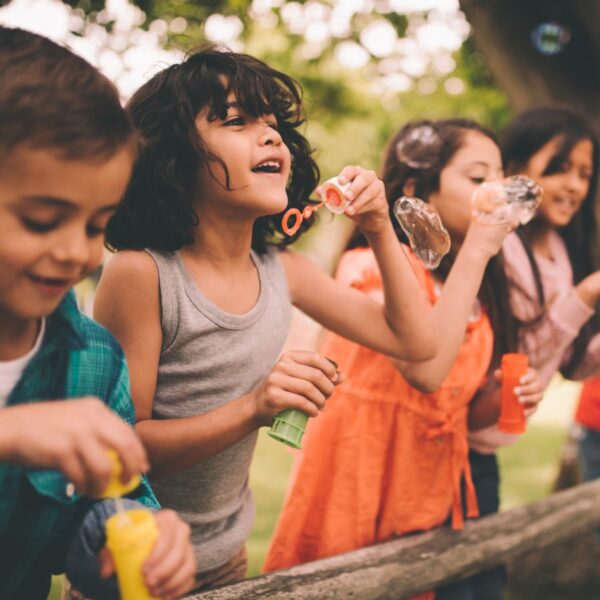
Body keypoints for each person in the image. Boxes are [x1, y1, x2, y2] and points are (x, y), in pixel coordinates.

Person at [93, 51, 512, 590]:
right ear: (171, 156)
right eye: (237, 120)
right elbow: (120, 450)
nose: (271, 137)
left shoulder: (282, 270)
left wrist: (380, 225)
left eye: (273, 124)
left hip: (225, 560)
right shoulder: (142, 274)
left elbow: (416, 342)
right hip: (132, 562)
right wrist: (253, 408)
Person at [260, 119, 543, 599]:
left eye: (500, 177)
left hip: (429, 498)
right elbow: (426, 372)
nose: (495, 192)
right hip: (358, 488)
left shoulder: (472, 294)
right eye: (478, 178)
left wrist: (501, 399)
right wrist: (477, 249)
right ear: (415, 189)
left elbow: (452, 406)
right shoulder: (370, 270)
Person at [0, 27, 195, 600]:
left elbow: (108, 501)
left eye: (94, 225)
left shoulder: (95, 361)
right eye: (41, 220)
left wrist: (133, 535)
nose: (74, 252)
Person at [466, 107, 600, 599]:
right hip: (463, 438)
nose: (575, 185)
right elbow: (517, 356)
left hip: (489, 447)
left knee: (484, 578)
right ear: (518, 166)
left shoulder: (564, 251)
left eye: (585, 174)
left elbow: (570, 363)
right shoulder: (503, 249)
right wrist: (585, 297)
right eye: (560, 166)